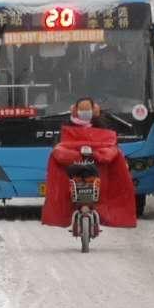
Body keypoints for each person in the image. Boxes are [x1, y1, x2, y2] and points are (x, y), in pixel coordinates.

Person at [41, 97, 137, 229]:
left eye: (87, 110)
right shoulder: (68, 125)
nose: (84, 113)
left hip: (96, 165)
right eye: (82, 110)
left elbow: (109, 141)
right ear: (75, 110)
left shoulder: (101, 124)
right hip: (75, 166)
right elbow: (61, 143)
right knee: (73, 183)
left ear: (94, 110)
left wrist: (101, 152)